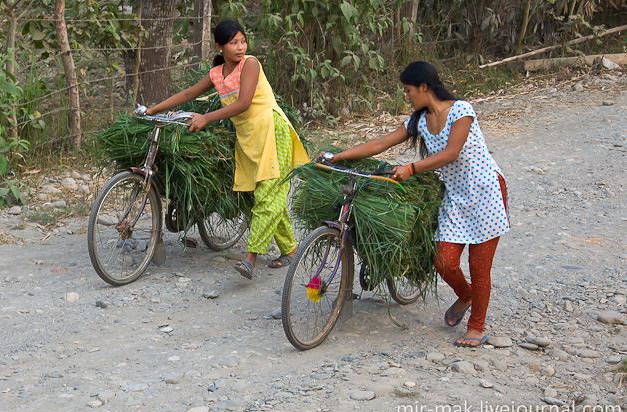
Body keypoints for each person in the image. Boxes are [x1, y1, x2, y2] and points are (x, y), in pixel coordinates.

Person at [322, 61, 509, 347]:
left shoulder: (461, 110)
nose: (406, 96)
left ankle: (476, 326)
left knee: (479, 268)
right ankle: (467, 294)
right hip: (455, 196)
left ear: (424, 87)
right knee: (444, 262)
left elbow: (451, 153)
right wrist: (337, 157)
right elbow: (381, 143)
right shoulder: (418, 121)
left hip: (486, 192)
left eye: (408, 90)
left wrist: (412, 168)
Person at [143, 20, 309, 279]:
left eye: (243, 41)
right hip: (247, 138)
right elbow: (188, 94)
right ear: (220, 47)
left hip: (271, 132)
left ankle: (250, 259)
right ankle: (291, 248)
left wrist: (206, 118)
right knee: (269, 195)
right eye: (233, 43)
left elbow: (244, 103)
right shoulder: (216, 74)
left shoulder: (250, 64)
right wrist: (153, 110)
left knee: (268, 195)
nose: (241, 47)